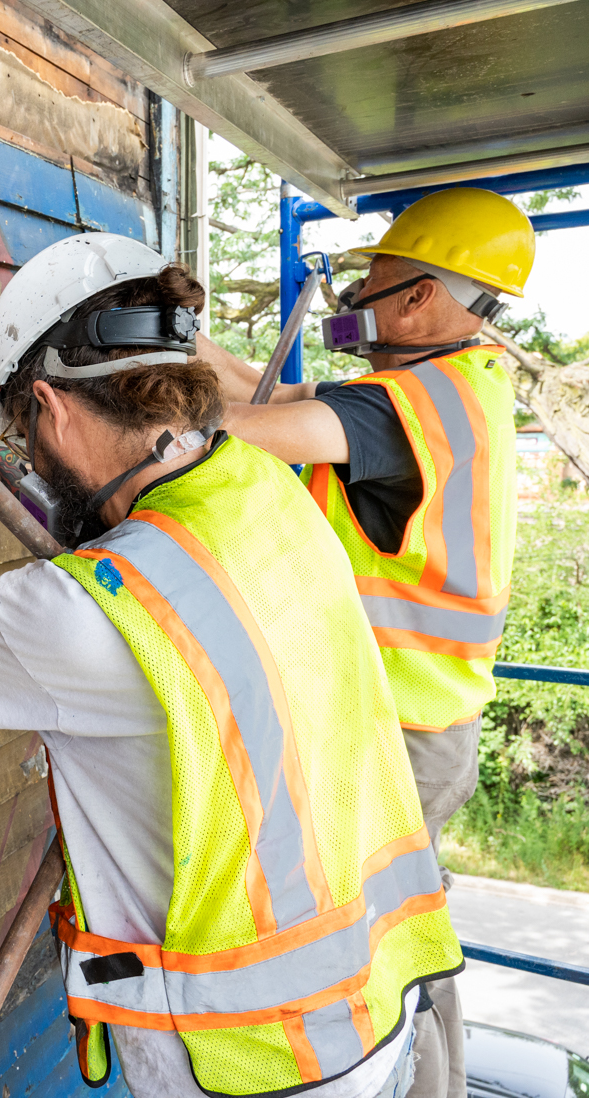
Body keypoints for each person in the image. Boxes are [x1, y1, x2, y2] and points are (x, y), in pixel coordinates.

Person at [0, 233, 461, 1098]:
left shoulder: (86, 613)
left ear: (55, 409)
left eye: (29, 426)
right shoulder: (265, 489)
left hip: (255, 1063)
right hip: (377, 1012)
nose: (30, 446)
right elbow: (108, 520)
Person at [204, 188, 534, 1098]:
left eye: (376, 286)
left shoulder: (404, 406)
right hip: (430, 722)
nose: (363, 304)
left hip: (400, 733)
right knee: (412, 935)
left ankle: (419, 1087)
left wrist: (137, 398)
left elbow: (251, 431)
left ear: (422, 297)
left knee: (382, 959)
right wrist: (182, 341)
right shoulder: (461, 386)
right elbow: (290, 395)